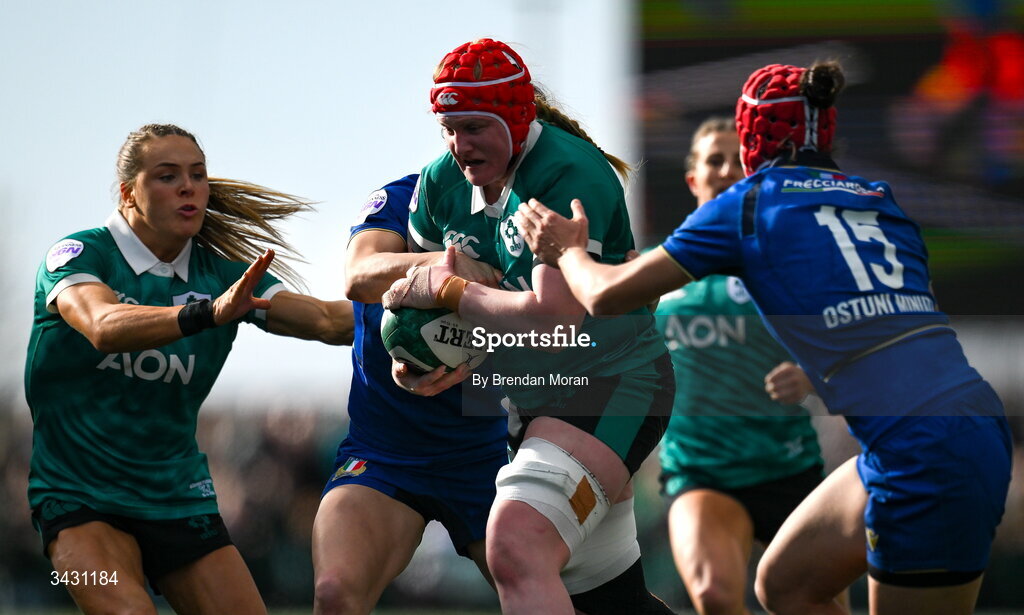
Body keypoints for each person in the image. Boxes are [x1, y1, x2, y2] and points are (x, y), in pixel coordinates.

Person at [516, 61, 1013, 615]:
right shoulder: (878, 198)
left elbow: (606, 295)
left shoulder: (751, 203)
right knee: (783, 586)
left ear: (752, 135)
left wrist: (567, 251)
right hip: (948, 425)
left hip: (921, 452)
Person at [382, 38, 675, 614]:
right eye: (448, 128)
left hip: (613, 383)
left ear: (516, 118)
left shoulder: (567, 171)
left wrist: (451, 290)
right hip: (534, 401)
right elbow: (425, 306)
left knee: (515, 548)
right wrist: (422, 354)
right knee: (608, 603)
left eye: (474, 127)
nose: (459, 146)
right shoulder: (440, 183)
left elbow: (550, 318)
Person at [26, 123, 354, 615]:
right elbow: (103, 324)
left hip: (178, 500)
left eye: (197, 175)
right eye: (166, 176)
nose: (188, 187)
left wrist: (439, 307)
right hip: (78, 500)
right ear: (128, 193)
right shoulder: (79, 254)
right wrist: (208, 313)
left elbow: (329, 321)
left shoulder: (224, 275)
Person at [656, 117, 835, 615]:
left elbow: (850, 349)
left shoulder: (789, 265)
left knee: (807, 602)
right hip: (701, 474)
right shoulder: (652, 272)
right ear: (693, 178)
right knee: (715, 597)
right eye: (715, 160)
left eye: (740, 160)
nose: (728, 169)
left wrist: (810, 375)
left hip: (789, 467)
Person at [311, 174, 509, 615]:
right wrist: (443, 266)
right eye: (455, 128)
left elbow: (562, 333)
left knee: (562, 604)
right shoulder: (403, 197)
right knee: (335, 593)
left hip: (491, 454)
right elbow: (359, 274)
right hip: (385, 452)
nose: (465, 143)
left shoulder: (528, 220)